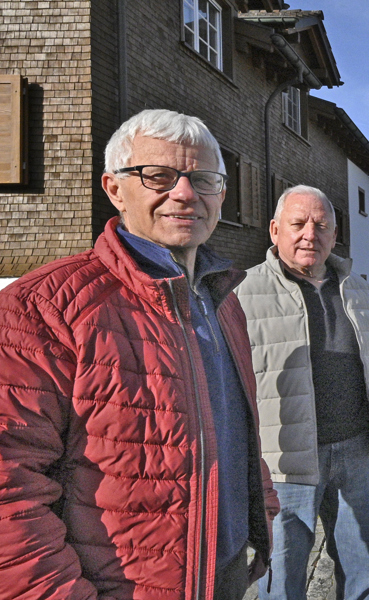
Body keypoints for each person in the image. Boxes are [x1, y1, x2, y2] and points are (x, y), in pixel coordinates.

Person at [0, 109, 278, 599]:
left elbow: (237, 428)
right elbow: (9, 490)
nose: (186, 194)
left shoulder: (222, 300)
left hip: (227, 574)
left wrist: (262, 514)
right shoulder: (42, 307)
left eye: (204, 179)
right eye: (159, 176)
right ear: (113, 189)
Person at [236, 185, 369, 600]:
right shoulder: (242, 293)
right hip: (284, 463)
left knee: (364, 566)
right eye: (298, 223)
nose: (311, 233)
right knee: (282, 578)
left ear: (334, 233)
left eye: (321, 225)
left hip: (354, 452)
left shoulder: (357, 288)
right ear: (274, 230)